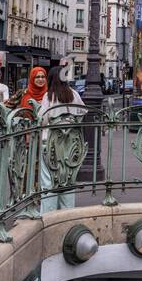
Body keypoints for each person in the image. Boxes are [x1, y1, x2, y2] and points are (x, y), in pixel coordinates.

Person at [39, 66, 86, 212]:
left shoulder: (49, 96)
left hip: (51, 143)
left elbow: (42, 119)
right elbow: (82, 111)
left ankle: (48, 216)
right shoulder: (74, 94)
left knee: (49, 181)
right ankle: (67, 215)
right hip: (71, 144)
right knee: (68, 180)